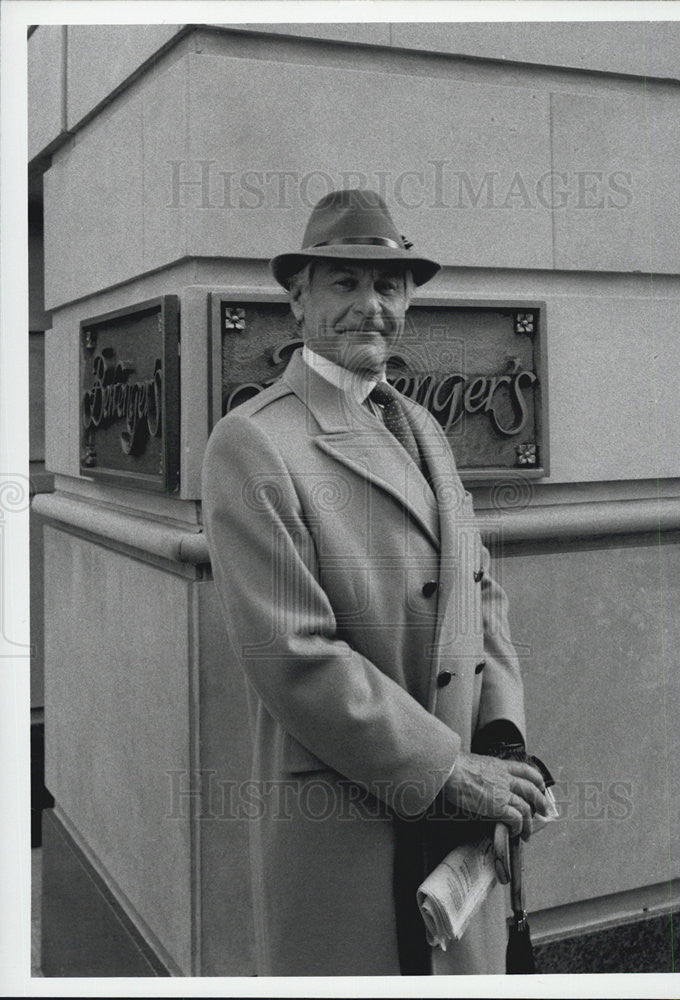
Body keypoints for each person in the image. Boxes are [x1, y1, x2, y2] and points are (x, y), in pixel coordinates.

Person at [201, 189, 549, 976]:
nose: (371, 306)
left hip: (461, 821)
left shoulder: (419, 424)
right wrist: (450, 770)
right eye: (344, 284)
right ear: (298, 301)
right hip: (352, 824)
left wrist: (501, 742)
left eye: (387, 286)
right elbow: (293, 655)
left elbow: (480, 592)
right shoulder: (254, 440)